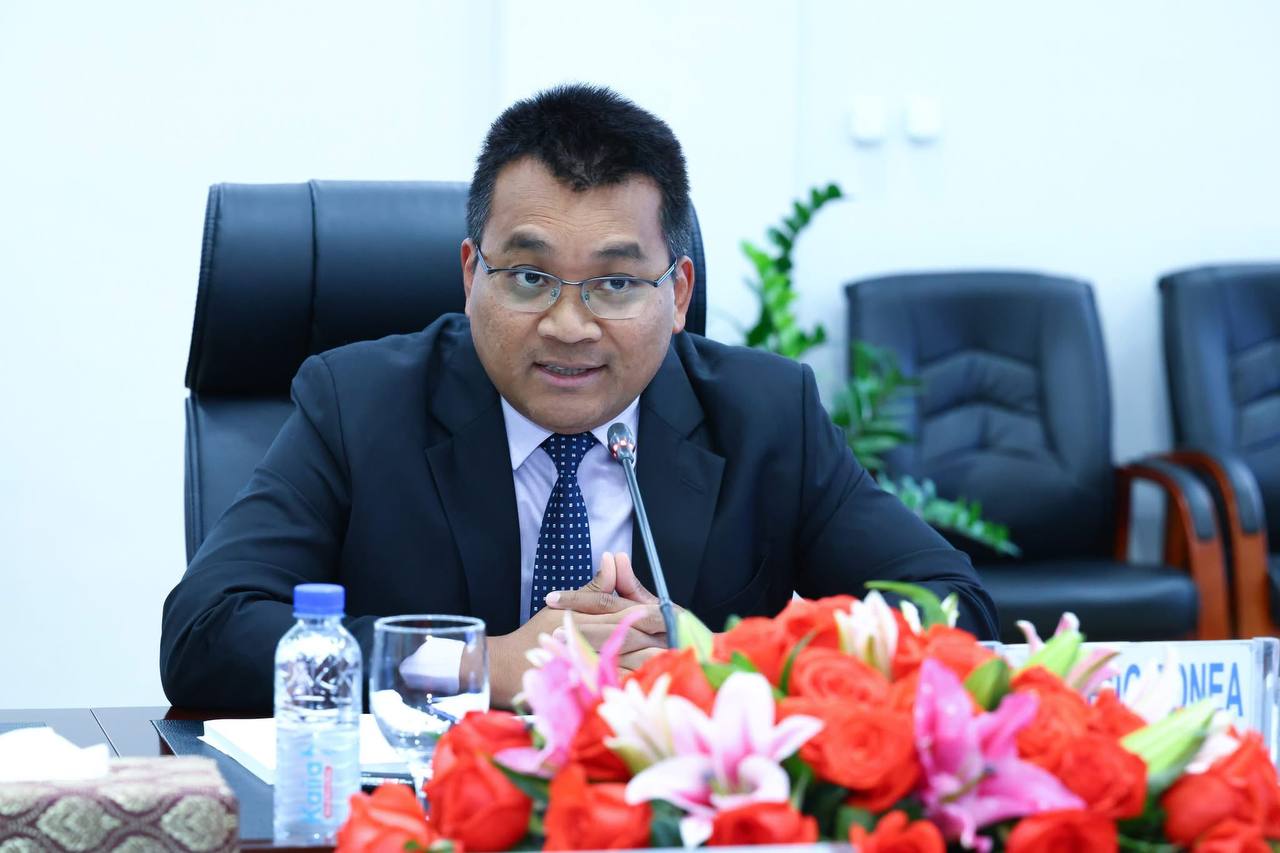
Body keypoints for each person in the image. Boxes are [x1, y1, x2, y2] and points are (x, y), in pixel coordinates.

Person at [161, 84, 997, 712]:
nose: (568, 325)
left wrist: (718, 659)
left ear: (678, 293)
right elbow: (205, 633)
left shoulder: (767, 415)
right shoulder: (358, 404)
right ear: (470, 273)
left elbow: (955, 611)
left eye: (616, 283)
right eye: (528, 277)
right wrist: (482, 665)